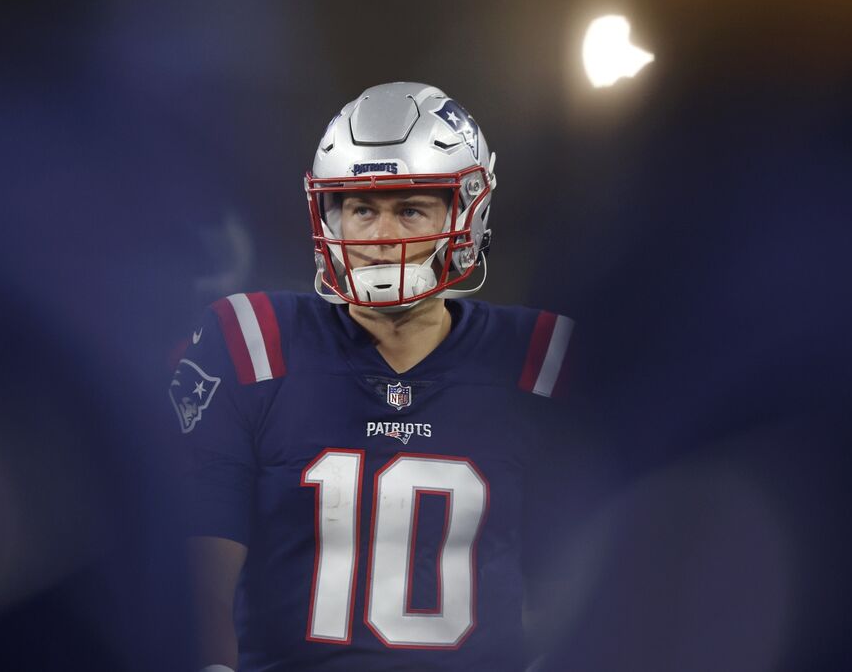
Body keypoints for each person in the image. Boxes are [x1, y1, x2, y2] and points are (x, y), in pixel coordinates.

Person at [174, 82, 576, 671]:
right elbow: (193, 577)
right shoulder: (252, 344)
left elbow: (592, 573)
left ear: (468, 212)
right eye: (361, 208)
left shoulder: (538, 360)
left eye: (410, 208)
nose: (380, 237)